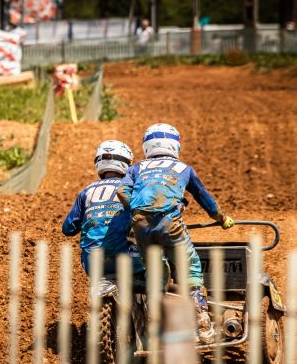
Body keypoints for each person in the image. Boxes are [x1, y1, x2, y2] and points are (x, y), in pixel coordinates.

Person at [117, 123, 235, 344]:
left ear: (147, 146)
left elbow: (122, 192)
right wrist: (222, 218)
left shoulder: (137, 168)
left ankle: (156, 330)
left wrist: (136, 210)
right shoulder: (184, 169)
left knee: (155, 274)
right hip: (170, 222)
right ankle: (203, 328)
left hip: (141, 225)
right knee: (191, 269)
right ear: (175, 145)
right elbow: (204, 197)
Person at [62, 140, 146, 280]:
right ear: (127, 163)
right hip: (129, 260)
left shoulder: (87, 191)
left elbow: (68, 229)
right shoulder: (133, 188)